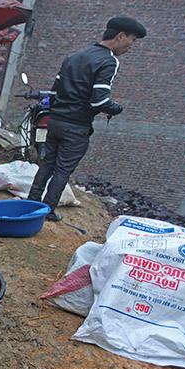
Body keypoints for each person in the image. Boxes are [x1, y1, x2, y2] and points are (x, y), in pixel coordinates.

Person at [28, 17, 147, 222]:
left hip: (55, 121)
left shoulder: (73, 57)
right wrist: (117, 109)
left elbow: (54, 93)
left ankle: (31, 202)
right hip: (76, 126)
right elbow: (98, 102)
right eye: (132, 40)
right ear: (120, 36)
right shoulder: (109, 61)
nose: (131, 46)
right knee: (62, 170)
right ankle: (47, 211)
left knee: (47, 163)